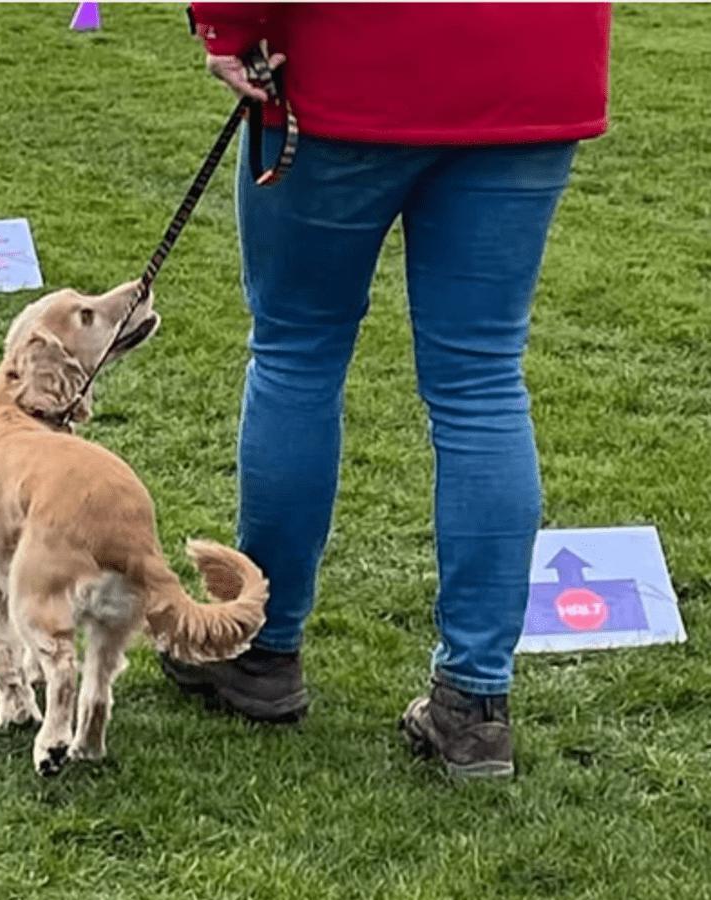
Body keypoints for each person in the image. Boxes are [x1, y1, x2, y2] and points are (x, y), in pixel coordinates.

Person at [161, 2, 612, 778]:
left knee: (297, 353)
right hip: (533, 64)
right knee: (482, 380)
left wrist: (227, 24)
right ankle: (474, 701)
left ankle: (261, 647)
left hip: (351, 63)